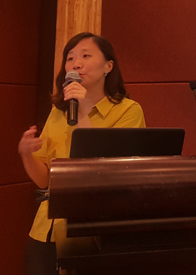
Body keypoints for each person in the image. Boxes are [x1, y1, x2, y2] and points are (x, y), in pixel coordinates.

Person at [18, 32, 145, 275]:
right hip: (47, 230)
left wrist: (83, 108)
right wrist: (25, 154)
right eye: (70, 58)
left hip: (96, 232)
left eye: (86, 56)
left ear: (108, 66)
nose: (76, 64)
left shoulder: (128, 111)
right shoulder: (58, 112)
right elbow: (44, 180)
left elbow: (108, 172)